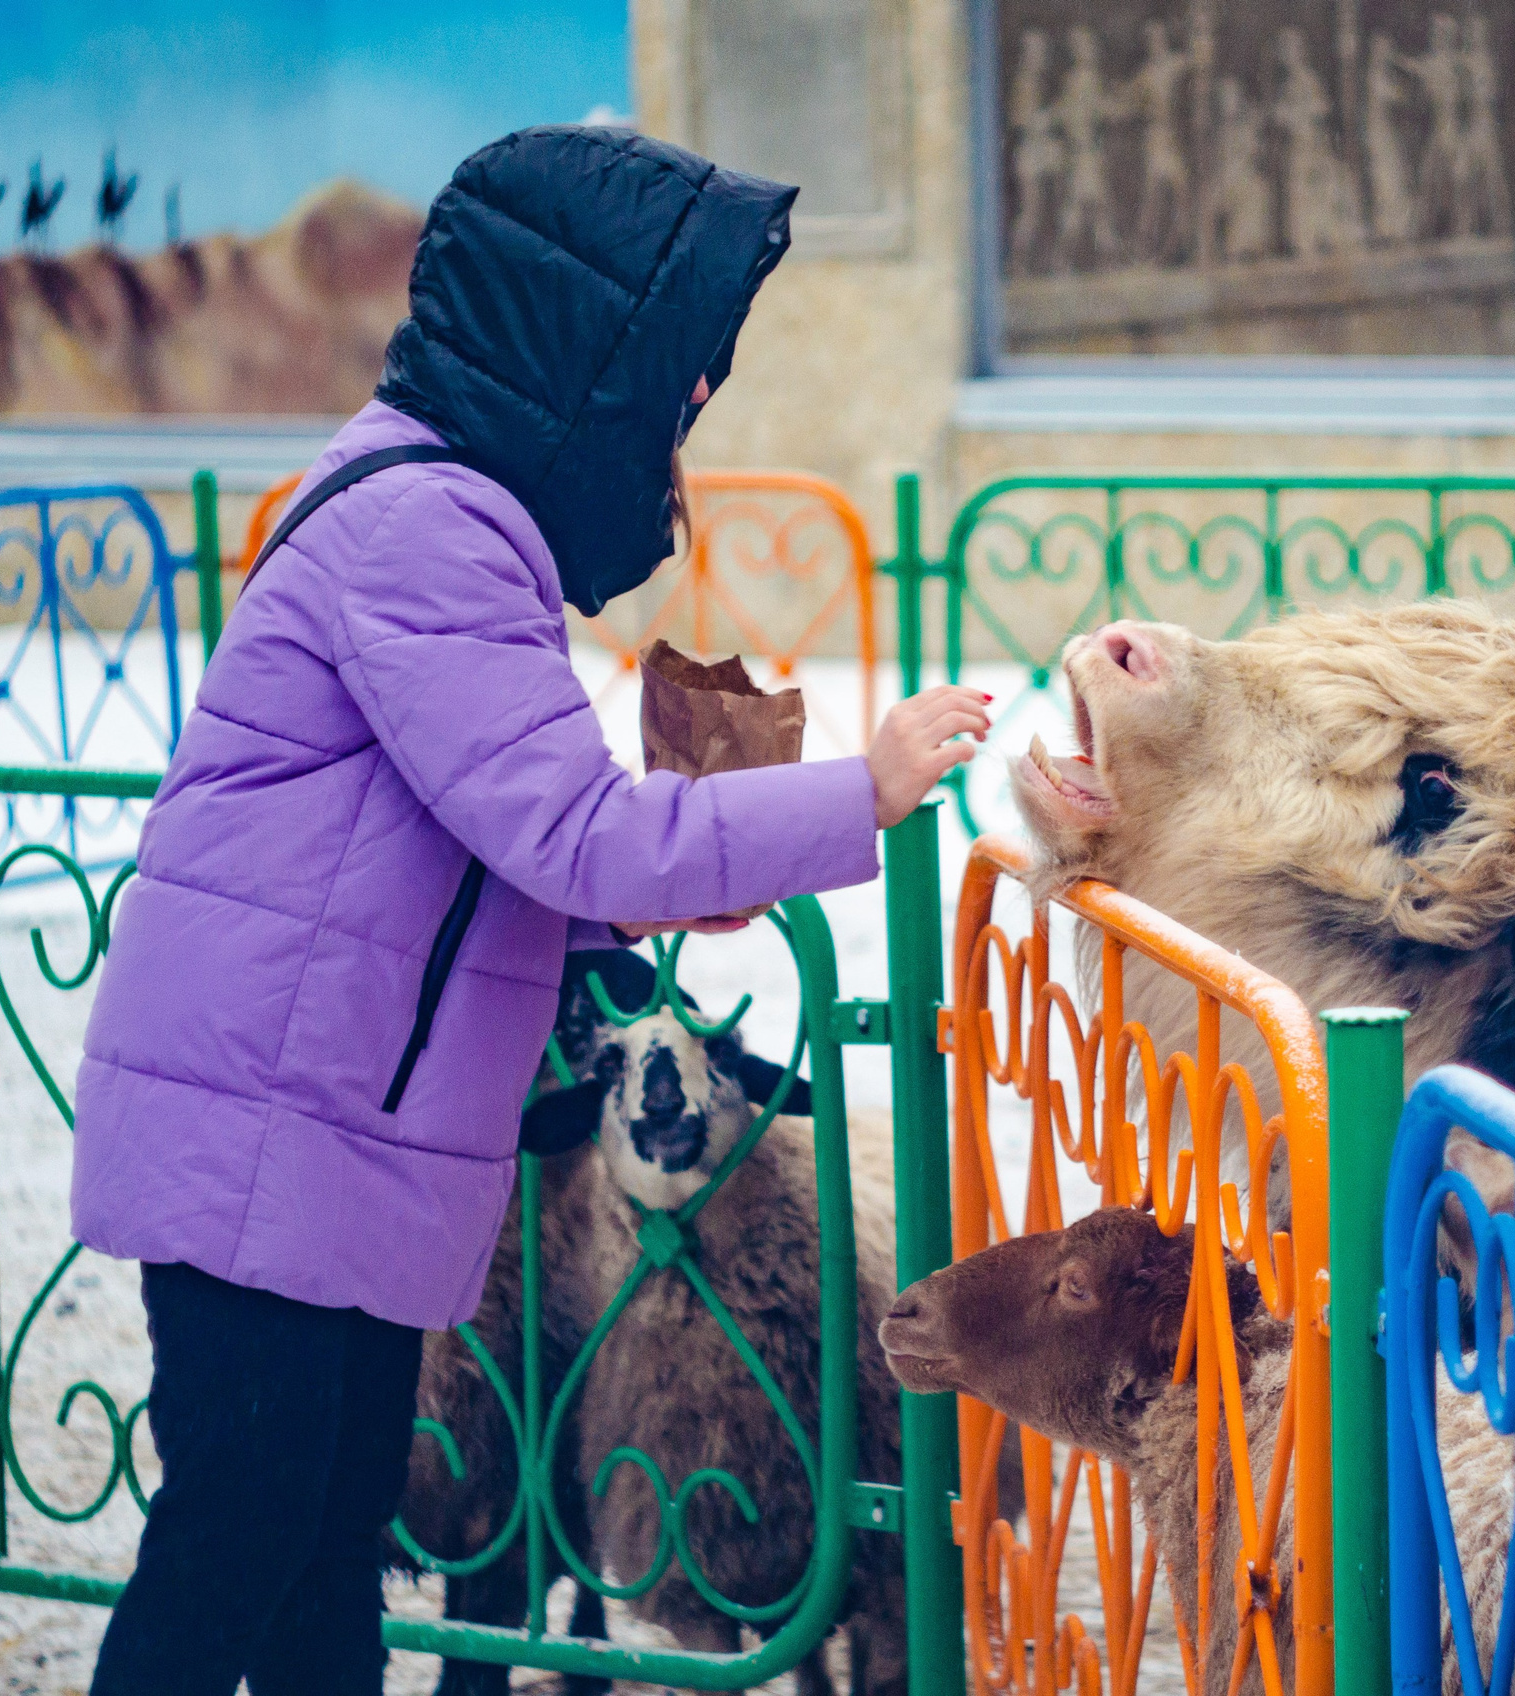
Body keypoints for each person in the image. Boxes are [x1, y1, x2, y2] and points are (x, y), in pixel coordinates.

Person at [69, 126, 988, 1695]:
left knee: (321, 1555)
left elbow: (466, 849)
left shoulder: (440, 512)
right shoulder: (421, 528)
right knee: (237, 1541)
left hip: (329, 1136)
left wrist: (638, 899)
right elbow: (571, 831)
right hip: (271, 1136)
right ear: (583, 358)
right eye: (671, 384)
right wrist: (859, 793)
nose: (684, 429)